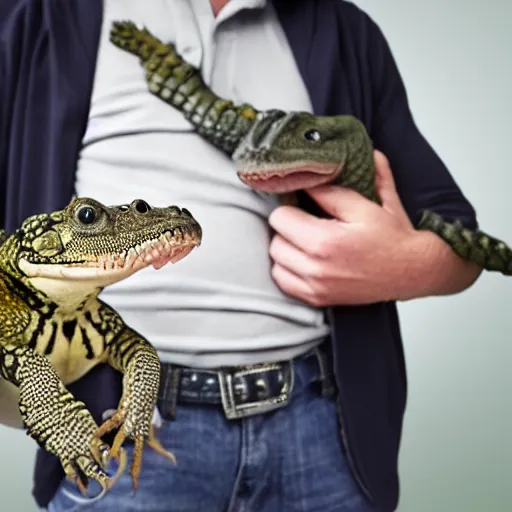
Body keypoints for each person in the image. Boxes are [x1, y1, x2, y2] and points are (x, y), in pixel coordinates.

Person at [0, 0, 481, 511]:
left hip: (320, 422)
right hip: (115, 421)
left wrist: (400, 266)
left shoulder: (345, 32)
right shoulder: (37, 14)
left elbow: (460, 238)